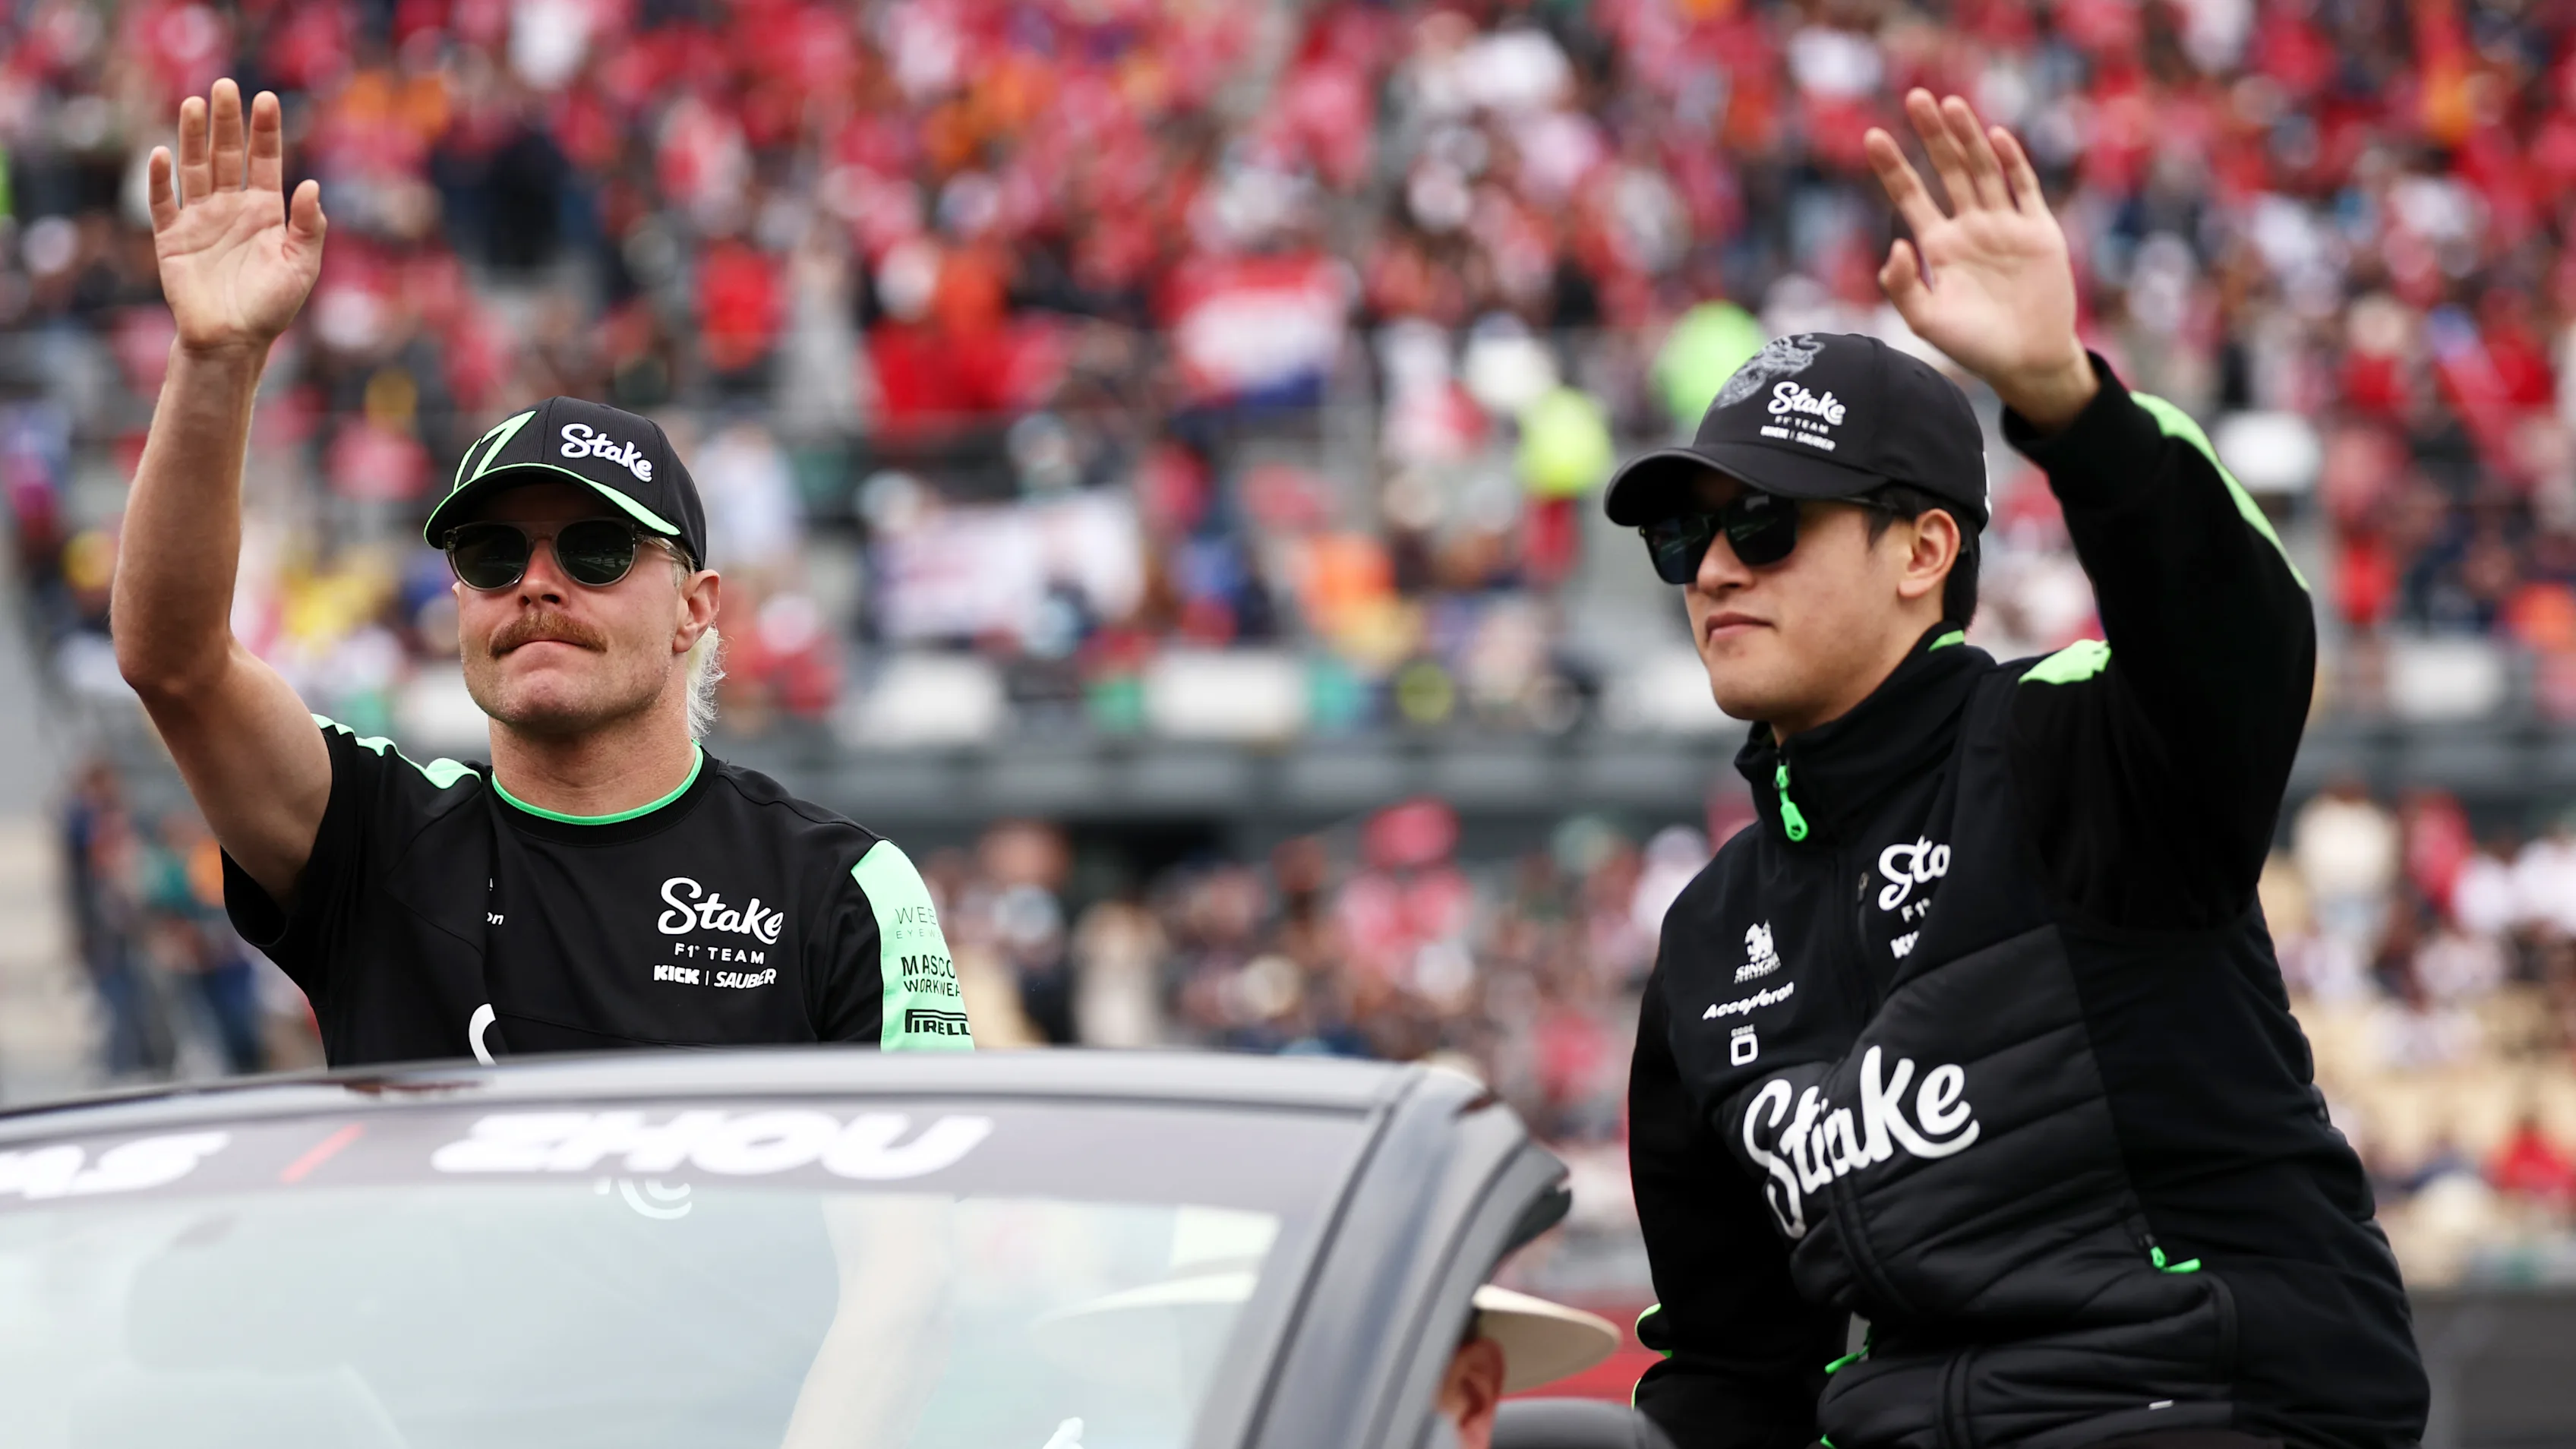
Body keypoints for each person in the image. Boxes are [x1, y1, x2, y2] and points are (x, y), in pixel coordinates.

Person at [1613, 92, 2426, 1447]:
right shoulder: (1709, 940)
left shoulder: (2070, 745)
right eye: (1683, 542)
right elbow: (1736, 1374)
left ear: (1923, 552)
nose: (1711, 570)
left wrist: (2066, 402)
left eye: (1762, 525)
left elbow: (2238, 634)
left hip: (2211, 1411)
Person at [112, 80, 971, 1066]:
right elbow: (175, 663)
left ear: (696, 609)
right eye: (492, 553)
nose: (536, 581)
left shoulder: (848, 887)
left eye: (595, 550)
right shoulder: (378, 838)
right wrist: (216, 359)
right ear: (460, 601)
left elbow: (920, 1211)